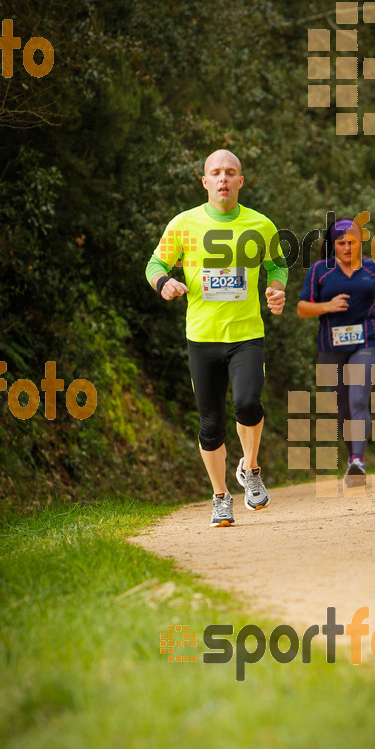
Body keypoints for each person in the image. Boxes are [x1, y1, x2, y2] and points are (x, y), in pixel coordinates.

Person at [145, 149, 287, 526]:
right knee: (211, 423)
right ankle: (220, 497)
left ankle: (251, 469)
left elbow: (277, 265)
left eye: (230, 172)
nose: (223, 178)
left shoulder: (261, 225)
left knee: (248, 403)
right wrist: (165, 282)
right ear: (204, 182)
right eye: (215, 173)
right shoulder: (184, 224)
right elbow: (155, 263)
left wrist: (276, 290)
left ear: (241, 181)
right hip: (202, 337)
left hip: (246, 335)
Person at [297, 217, 375, 485]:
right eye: (341, 243)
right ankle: (352, 455)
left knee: (358, 398)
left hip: (367, 340)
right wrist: (327, 306)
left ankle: (357, 460)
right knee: (342, 406)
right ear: (333, 245)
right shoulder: (320, 270)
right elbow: (302, 308)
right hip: (331, 346)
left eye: (351, 242)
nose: (347, 247)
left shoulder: (372, 267)